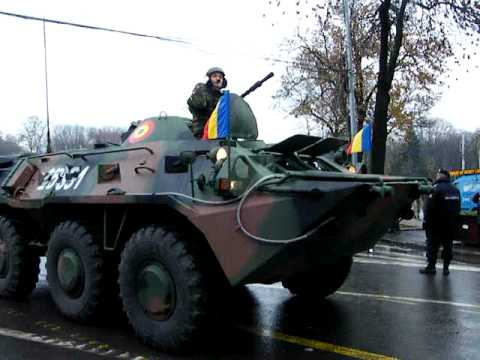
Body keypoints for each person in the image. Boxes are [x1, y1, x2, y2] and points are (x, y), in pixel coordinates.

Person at [420, 169, 461, 276]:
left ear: (440, 176)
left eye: (437, 175)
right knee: (448, 246)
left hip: (435, 224)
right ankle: (446, 268)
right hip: (450, 225)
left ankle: (431, 267)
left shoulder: (435, 188)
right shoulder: (455, 190)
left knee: (432, 246)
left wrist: (425, 221)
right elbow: (458, 208)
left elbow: (429, 207)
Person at [187, 67, 227, 138]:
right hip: (202, 131)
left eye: (220, 77)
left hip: (219, 132)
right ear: (209, 79)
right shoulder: (202, 89)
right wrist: (204, 89)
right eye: (214, 76)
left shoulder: (223, 97)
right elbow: (199, 103)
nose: (218, 79)